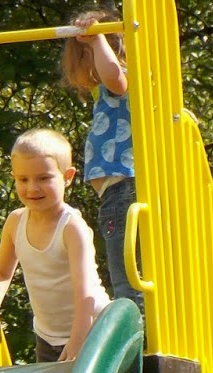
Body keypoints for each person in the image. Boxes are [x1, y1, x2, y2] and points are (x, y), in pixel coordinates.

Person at [0, 128, 110, 364]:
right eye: (23, 179)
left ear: (67, 177)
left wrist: (78, 340)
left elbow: (85, 292)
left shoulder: (71, 228)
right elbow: (0, 273)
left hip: (92, 330)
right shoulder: (15, 222)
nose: (32, 188)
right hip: (47, 337)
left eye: (44, 178)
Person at [61, 8, 144, 312]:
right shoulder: (105, 92)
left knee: (128, 283)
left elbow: (115, 78)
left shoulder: (120, 82)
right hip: (118, 191)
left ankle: (140, 334)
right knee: (129, 277)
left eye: (82, 54)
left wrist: (96, 41)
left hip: (123, 189)